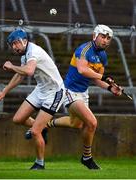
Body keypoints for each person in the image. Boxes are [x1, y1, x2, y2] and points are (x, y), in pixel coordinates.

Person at [45, 24, 123, 169]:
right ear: (95, 36)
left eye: (108, 38)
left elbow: (96, 79)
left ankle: (46, 124)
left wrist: (111, 88)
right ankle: (87, 157)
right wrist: (104, 76)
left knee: (76, 124)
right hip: (69, 90)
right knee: (92, 122)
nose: (105, 40)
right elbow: (82, 70)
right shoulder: (84, 49)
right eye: (103, 36)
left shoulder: (102, 56)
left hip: (82, 92)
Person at [0, 29, 65, 170]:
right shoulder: (24, 55)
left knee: (34, 132)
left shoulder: (33, 52)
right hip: (41, 89)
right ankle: (42, 126)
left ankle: (39, 163)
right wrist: (4, 91)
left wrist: (11, 67)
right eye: (12, 44)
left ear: (24, 41)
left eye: (16, 43)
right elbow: (20, 76)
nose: (14, 47)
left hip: (54, 92)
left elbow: (28, 71)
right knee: (18, 119)